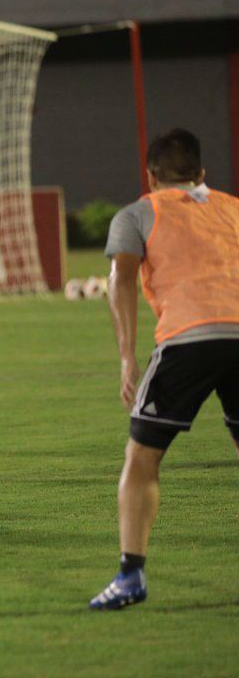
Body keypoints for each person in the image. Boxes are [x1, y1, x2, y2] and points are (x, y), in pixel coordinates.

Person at [90, 128, 239, 609]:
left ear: (151, 176)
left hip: (188, 339)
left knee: (143, 457)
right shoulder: (234, 208)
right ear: (201, 174)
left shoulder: (139, 212)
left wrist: (127, 357)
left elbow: (122, 278)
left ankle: (130, 575)